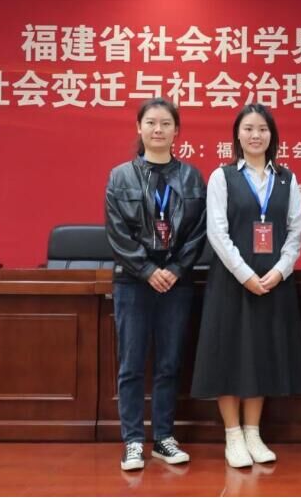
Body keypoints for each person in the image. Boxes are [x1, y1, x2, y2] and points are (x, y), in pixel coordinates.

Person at [190, 104, 301, 468]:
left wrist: (281, 271)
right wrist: (244, 274)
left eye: (262, 129)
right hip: (232, 282)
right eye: (248, 129)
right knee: (229, 354)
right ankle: (233, 435)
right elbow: (217, 232)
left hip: (272, 282)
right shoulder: (222, 177)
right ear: (237, 135)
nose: (256, 135)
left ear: (272, 136)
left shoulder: (287, 179)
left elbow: (296, 231)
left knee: (261, 355)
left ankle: (253, 432)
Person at [104, 97, 207, 471]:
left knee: (169, 363)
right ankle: (133, 441)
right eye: (151, 122)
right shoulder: (120, 177)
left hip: (177, 283)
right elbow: (117, 233)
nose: (158, 129)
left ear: (176, 130)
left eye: (165, 123)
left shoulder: (192, 177)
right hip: (133, 283)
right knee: (131, 364)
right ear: (139, 128)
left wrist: (175, 268)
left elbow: (199, 232)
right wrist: (148, 270)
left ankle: (163, 437)